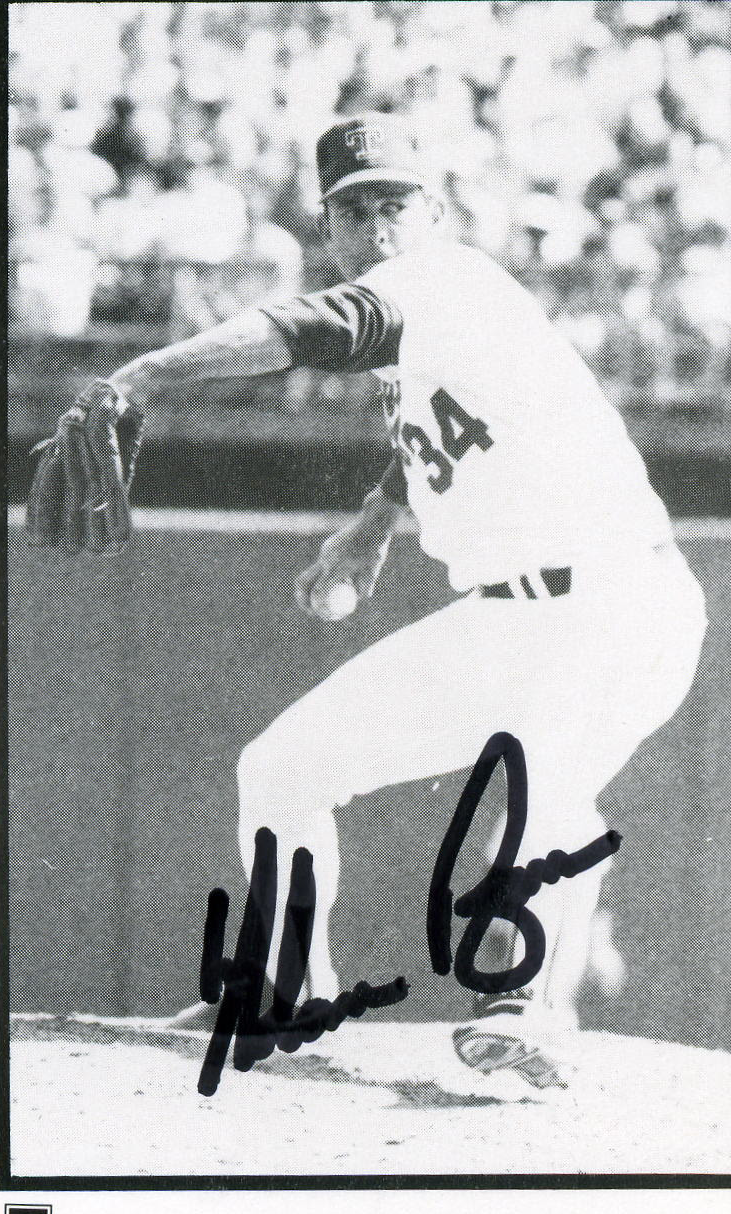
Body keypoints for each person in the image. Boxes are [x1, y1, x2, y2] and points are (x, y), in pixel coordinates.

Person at [100, 114, 706, 1086]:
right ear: (327, 226)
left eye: (395, 203)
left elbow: (322, 328)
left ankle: (532, 1010)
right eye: (354, 211)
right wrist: (379, 518)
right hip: (507, 618)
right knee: (284, 769)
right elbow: (447, 426)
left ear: (435, 212)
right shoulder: (428, 322)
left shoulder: (449, 278)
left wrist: (146, 370)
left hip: (621, 606)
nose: (378, 225)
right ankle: (287, 992)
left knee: (543, 796)